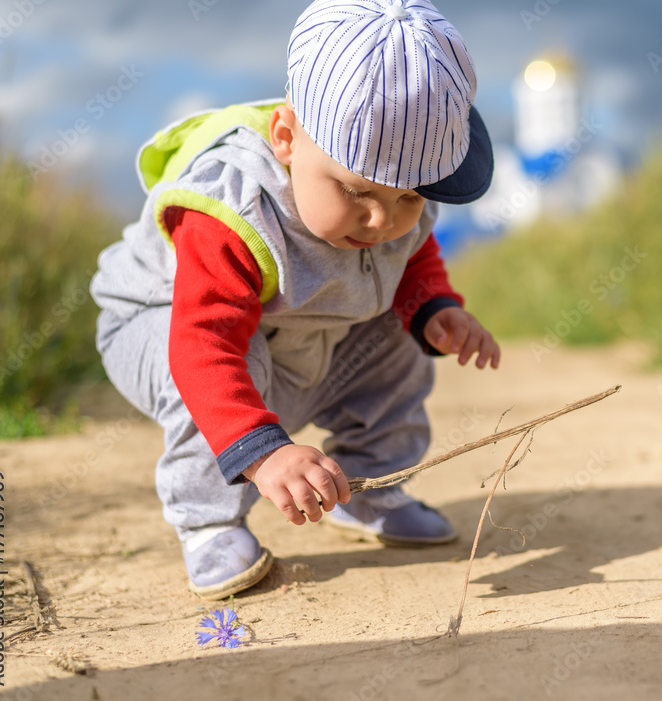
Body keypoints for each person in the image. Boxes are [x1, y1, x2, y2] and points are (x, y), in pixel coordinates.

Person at [90, 0, 500, 600]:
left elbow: (411, 252)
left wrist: (436, 307)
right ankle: (209, 524)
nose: (382, 217)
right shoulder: (234, 211)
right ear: (285, 138)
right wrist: (264, 454)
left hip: (297, 333)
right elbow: (203, 343)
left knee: (400, 337)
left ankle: (366, 488)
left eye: (409, 196)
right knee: (233, 360)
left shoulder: (401, 206)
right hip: (165, 329)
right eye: (356, 189)